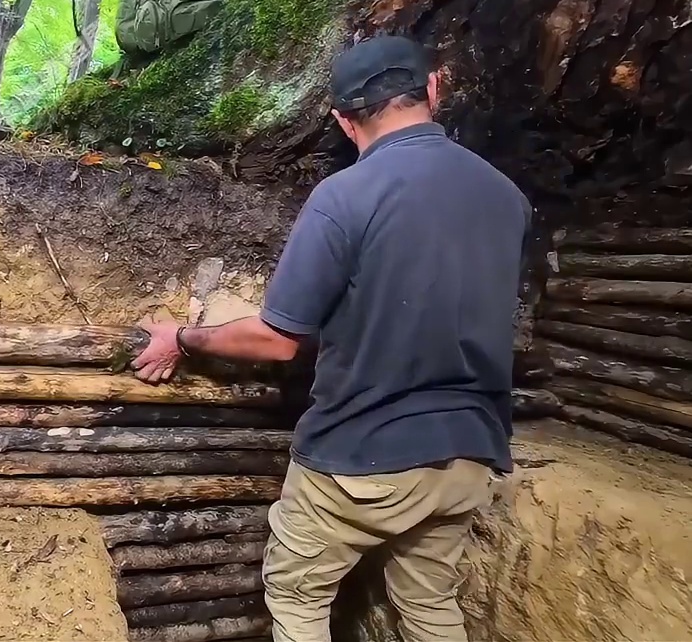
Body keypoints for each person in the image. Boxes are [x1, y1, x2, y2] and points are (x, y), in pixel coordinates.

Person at [129, 35, 531, 642]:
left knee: (297, 594)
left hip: (360, 456)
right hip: (469, 456)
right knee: (429, 605)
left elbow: (277, 339)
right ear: (433, 89)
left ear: (344, 120)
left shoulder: (344, 196)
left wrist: (183, 338)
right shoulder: (509, 198)